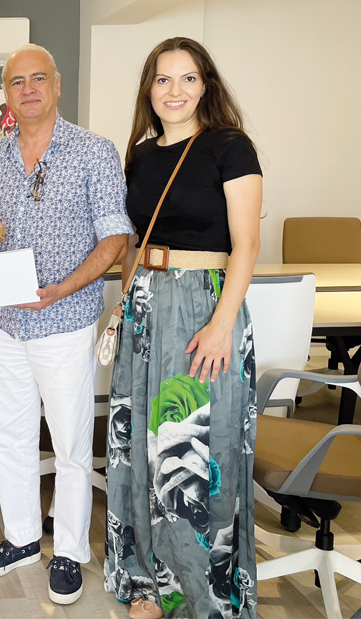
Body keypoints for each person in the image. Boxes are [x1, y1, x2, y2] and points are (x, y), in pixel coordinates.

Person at [0, 44, 131, 606]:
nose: (29, 89)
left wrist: (64, 287)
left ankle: (68, 551)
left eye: (39, 79)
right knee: (7, 435)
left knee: (70, 441)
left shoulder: (93, 151)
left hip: (65, 319)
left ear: (57, 85)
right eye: (17, 82)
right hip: (6, 321)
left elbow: (115, 238)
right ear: (6, 95)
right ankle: (19, 539)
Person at [102, 37, 262, 619]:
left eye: (188, 78)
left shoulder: (230, 147)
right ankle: (149, 584)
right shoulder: (141, 156)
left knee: (196, 450)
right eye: (163, 79)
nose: (175, 90)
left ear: (206, 85)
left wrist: (221, 326)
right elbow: (133, 241)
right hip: (146, 308)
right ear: (149, 89)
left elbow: (247, 245)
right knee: (140, 450)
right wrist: (126, 307)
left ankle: (206, 594)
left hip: (205, 308)